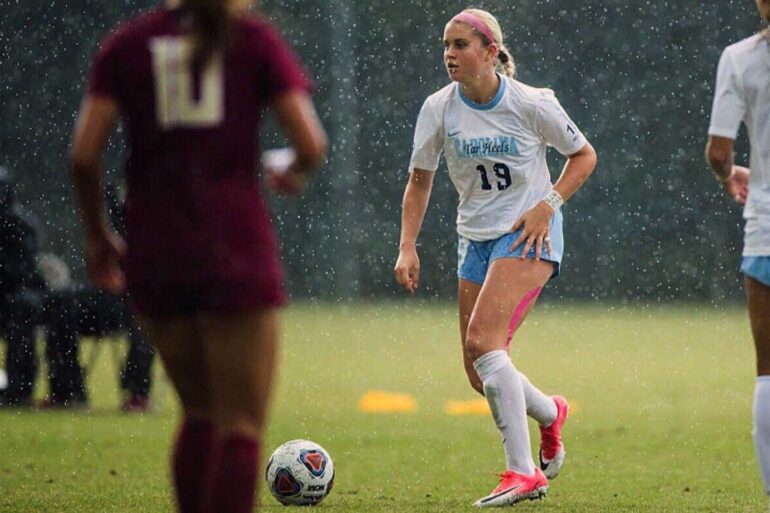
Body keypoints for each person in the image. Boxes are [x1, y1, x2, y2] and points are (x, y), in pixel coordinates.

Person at [69, 0, 326, 512]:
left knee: (200, 413)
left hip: (157, 248)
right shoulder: (250, 39)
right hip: (234, 244)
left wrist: (98, 234)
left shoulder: (128, 44)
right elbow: (311, 144)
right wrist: (292, 170)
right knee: (240, 424)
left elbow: (82, 154)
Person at [394, 8, 597, 507]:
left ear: (490, 51)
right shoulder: (439, 108)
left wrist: (547, 207)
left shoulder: (532, 102)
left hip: (526, 238)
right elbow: (420, 181)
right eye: (446, 45)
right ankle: (551, 413)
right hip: (475, 241)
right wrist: (407, 244)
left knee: (484, 342)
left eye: (461, 45)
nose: (449, 54)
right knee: (477, 370)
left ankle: (522, 472)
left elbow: (584, 156)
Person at [705, 0, 770, 507]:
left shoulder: (741, 58)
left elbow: (719, 151)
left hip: (766, 229)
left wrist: (730, 178)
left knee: (768, 370)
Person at [0, 165, 46, 408]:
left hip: (16, 295)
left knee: (23, 307)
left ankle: (18, 391)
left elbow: (24, 270)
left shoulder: (21, 225)